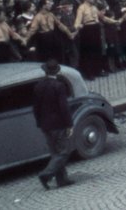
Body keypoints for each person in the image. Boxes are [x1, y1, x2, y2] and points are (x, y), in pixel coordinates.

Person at [33, 59, 74, 189]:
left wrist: (39, 122)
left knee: (55, 153)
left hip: (45, 125)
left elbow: (35, 108)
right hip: (58, 124)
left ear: (45, 71)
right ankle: (46, 174)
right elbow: (64, 107)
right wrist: (69, 124)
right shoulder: (59, 86)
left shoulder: (38, 86)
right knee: (63, 152)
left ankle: (62, 180)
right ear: (57, 71)